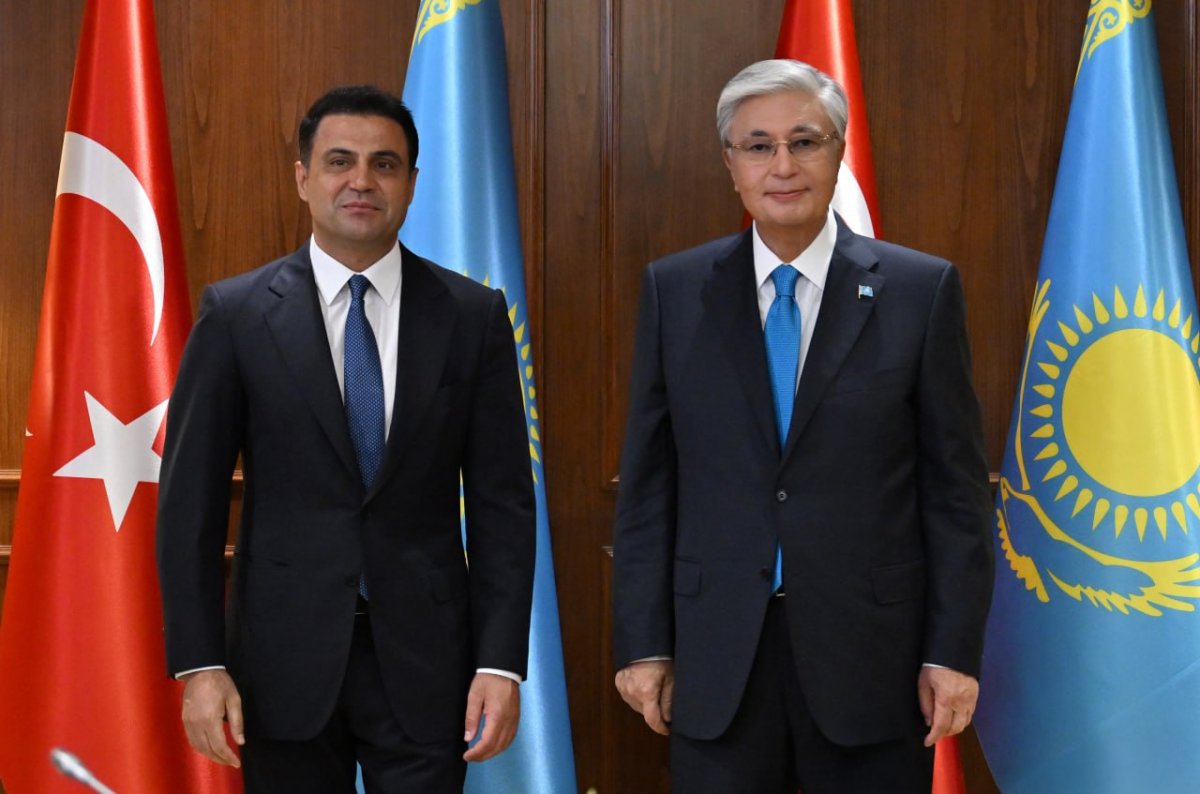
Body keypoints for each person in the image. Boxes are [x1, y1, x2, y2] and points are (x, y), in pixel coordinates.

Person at [611, 59, 994, 793]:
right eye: (758, 146)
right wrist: (644, 643)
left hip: (873, 663)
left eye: (805, 142)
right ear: (731, 164)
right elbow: (650, 485)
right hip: (717, 656)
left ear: (838, 151)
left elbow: (955, 491)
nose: (782, 166)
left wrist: (951, 652)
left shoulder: (919, 290)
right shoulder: (676, 290)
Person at [157, 85, 535, 793]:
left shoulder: (473, 317)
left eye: (384, 164)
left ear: (412, 183)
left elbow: (503, 506)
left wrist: (499, 662)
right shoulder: (237, 315)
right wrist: (200, 665)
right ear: (304, 178)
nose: (361, 180)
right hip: (280, 664)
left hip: (429, 665)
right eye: (339, 161)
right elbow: (189, 507)